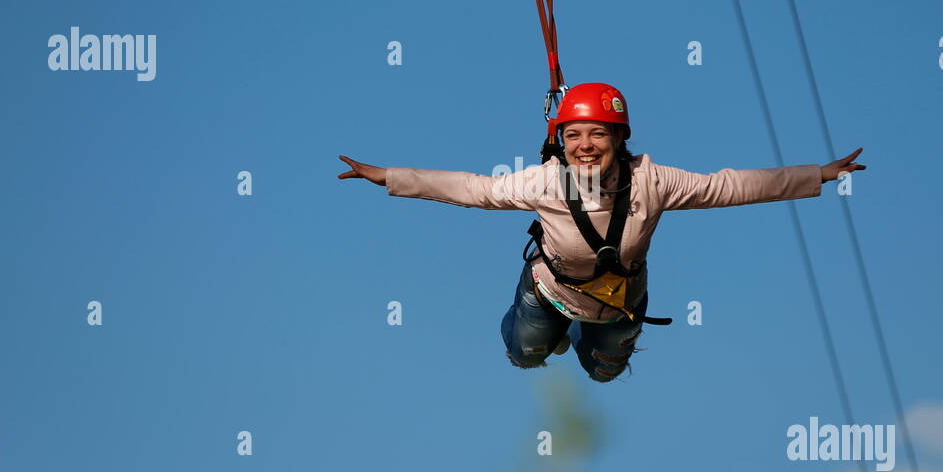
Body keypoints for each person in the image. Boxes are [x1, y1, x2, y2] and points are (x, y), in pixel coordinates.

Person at [339, 82, 865, 383]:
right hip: (551, 290)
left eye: (597, 133)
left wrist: (816, 174)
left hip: (618, 302)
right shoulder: (545, 181)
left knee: (605, 373)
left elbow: (730, 187)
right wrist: (389, 177)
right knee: (525, 354)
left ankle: (584, 344)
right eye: (573, 135)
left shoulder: (652, 181)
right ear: (560, 142)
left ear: (619, 138)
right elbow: (475, 189)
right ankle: (549, 336)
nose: (585, 145)